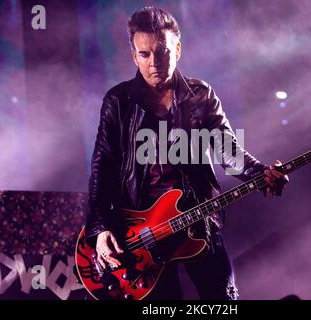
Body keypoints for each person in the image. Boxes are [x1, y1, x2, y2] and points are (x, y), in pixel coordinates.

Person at [85, 6, 288, 300]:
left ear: (177, 49)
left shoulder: (200, 95)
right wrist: (101, 228)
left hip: (198, 220)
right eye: (145, 54)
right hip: (143, 233)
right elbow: (101, 169)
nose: (155, 62)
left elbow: (227, 149)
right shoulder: (118, 101)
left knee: (222, 302)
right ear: (134, 55)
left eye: (163, 52)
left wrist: (261, 173)